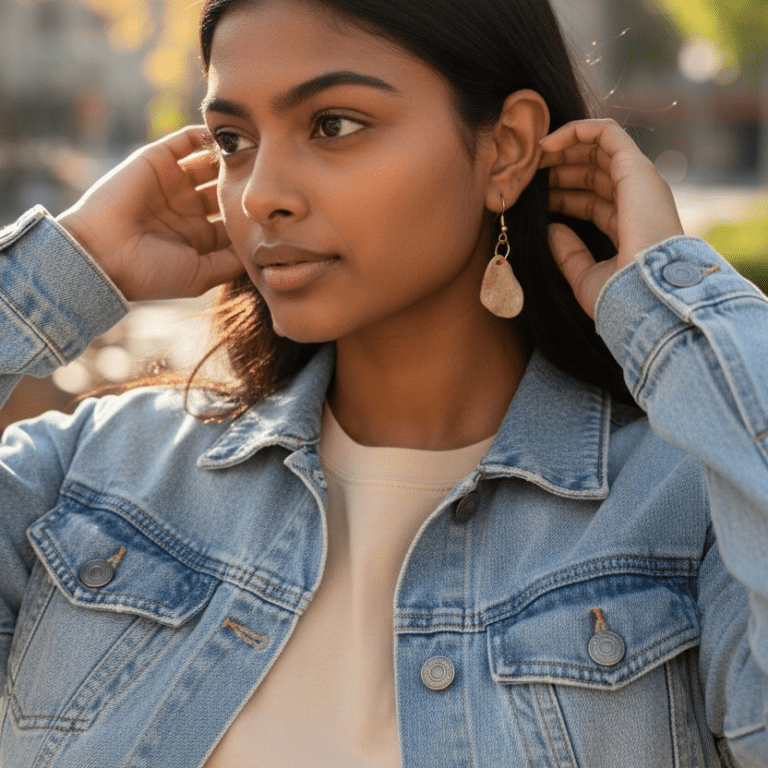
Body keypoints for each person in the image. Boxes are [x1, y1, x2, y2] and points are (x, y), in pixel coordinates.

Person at [1, 0, 767, 765]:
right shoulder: (89, 481)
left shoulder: (691, 519)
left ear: (505, 150)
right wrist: (66, 263)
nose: (260, 193)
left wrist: (675, 307)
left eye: (333, 125)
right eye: (233, 141)